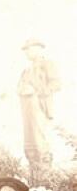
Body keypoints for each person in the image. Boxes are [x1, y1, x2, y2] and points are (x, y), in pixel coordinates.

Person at [17, 38, 61, 168]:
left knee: (40, 142)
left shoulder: (47, 64)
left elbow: (56, 84)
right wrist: (23, 90)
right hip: (27, 108)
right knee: (30, 144)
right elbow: (19, 87)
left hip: (40, 106)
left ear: (37, 48)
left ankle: (45, 175)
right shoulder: (26, 70)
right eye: (25, 50)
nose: (26, 53)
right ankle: (35, 176)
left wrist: (37, 91)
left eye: (28, 49)